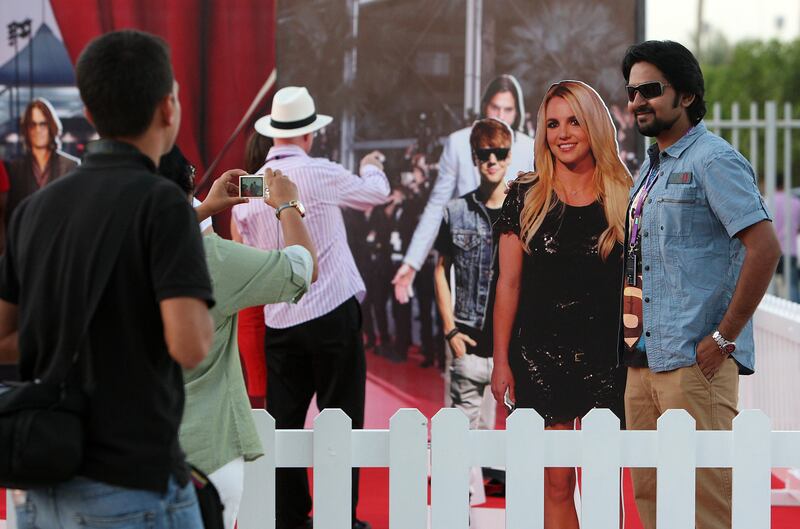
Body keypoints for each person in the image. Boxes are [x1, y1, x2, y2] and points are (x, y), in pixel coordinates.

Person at [0, 29, 215, 526]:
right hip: (131, 484)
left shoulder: (33, 209)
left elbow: (5, 336)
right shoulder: (163, 205)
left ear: (91, 115)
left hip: (44, 483)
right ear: (168, 109)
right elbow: (190, 345)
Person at [620, 41, 781, 529]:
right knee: (652, 502)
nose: (637, 102)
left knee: (705, 508)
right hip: (643, 359)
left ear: (686, 95)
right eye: (631, 91)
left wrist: (723, 338)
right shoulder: (649, 168)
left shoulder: (714, 160)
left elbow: (765, 247)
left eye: (650, 89)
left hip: (695, 363)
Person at [231, 86, 389, 529]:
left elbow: (244, 246)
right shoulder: (321, 171)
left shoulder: (252, 185)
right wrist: (372, 167)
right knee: (343, 420)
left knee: (285, 427)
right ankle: (339, 518)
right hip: (333, 313)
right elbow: (374, 195)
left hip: (279, 319)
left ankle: (290, 520)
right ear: (309, 135)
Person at [491, 80, 632, 528]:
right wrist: (500, 360)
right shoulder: (525, 194)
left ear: (593, 125)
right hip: (539, 354)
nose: (563, 133)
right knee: (556, 482)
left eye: (573, 120)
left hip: (607, 356)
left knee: (605, 479)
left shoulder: (624, 193)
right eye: (553, 123)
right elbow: (508, 284)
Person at [159, 145, 318, 529]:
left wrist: (204, 210)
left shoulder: (118, 253)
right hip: (207, 454)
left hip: (132, 453)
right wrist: (288, 206)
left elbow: (162, 229)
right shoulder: (213, 259)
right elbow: (302, 267)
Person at [393, 74, 535, 428]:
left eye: (508, 109)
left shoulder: (530, 147)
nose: (501, 115)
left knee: (515, 400)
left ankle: (494, 472)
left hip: (515, 283)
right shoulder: (458, 144)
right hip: (467, 282)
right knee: (464, 394)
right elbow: (437, 205)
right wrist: (411, 262)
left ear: (518, 112)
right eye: (494, 107)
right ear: (483, 107)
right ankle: (468, 477)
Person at [434, 118, 515, 505]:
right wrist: (450, 332)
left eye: (499, 153)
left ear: (509, 155)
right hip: (468, 344)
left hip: (514, 351)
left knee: (522, 447)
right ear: (474, 158)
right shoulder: (455, 211)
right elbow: (439, 270)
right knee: (456, 451)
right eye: (485, 154)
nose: (493, 161)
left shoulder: (526, 211)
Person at [233, 130, 275, 408]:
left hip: (254, 298)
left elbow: (238, 243)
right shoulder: (282, 186)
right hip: (271, 297)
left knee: (261, 396)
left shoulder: (249, 188)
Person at [5, 98, 80, 225]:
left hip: (60, 240)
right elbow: (11, 216)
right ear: (26, 129)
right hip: (26, 240)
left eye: (43, 124)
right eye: (32, 124)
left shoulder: (71, 166)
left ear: (51, 126)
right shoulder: (14, 169)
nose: (38, 130)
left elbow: (76, 214)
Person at [774, 180, 800, 302]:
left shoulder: (766, 201)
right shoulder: (795, 202)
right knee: (792, 287)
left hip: (771, 250)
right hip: (790, 250)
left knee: (770, 287)